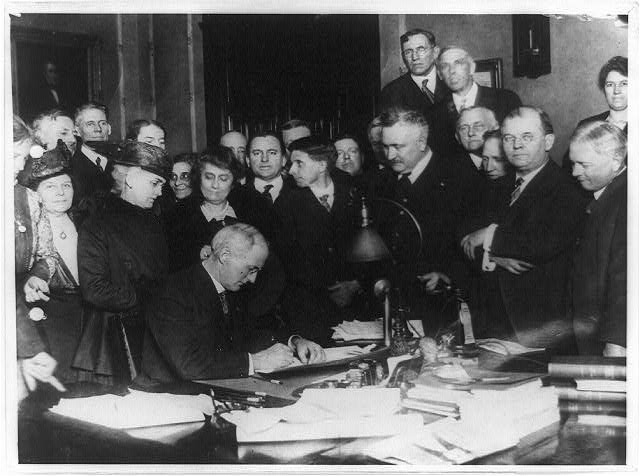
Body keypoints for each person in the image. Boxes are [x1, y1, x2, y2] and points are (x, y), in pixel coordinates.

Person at [460, 106, 588, 349]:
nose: (516, 145)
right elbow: (465, 238)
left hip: (538, 326)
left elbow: (540, 244)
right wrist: (496, 256)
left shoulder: (567, 189)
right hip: (492, 324)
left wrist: (488, 236)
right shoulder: (497, 184)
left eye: (527, 137)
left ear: (548, 141)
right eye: (509, 138)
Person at [135, 223, 325, 385]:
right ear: (225, 256)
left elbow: (249, 335)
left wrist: (294, 342)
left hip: (211, 390)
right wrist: (255, 361)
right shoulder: (173, 292)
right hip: (169, 396)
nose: (253, 279)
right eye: (251, 269)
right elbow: (189, 365)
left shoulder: (230, 289)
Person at [73, 141, 171, 384]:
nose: (159, 192)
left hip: (157, 335)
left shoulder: (155, 222)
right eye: (155, 183)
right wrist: (143, 297)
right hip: (114, 340)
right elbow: (94, 289)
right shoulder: (97, 224)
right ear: (131, 178)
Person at [378, 108, 481, 331]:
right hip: (398, 306)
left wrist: (449, 275)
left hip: (446, 307)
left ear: (422, 142)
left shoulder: (459, 177)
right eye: (385, 146)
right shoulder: (382, 181)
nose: (389, 155)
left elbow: (475, 242)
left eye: (398, 147)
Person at [277, 136, 364, 342]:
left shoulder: (355, 192)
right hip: (310, 311)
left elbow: (372, 247)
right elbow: (286, 262)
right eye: (291, 164)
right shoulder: (286, 204)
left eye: (299, 163)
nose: (291, 170)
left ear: (322, 165)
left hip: (357, 307)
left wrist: (355, 284)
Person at [19, 140, 83, 384]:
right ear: (35, 194)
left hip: (83, 326)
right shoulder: (26, 233)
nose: (61, 192)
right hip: (47, 328)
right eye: (51, 186)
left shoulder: (86, 223)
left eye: (66, 185)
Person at [13, 115, 66, 400]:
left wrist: (37, 275)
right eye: (12, 156)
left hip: (18, 320)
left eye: (23, 157)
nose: (20, 166)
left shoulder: (27, 199)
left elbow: (47, 253)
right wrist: (30, 348)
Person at [168, 146, 278, 271]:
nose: (215, 185)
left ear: (232, 183)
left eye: (223, 179)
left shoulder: (253, 214)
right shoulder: (177, 218)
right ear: (199, 179)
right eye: (209, 177)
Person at [568, 121, 626, 356]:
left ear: (615, 160)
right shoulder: (607, 195)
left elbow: (626, 278)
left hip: (612, 343)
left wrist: (618, 340)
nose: (574, 172)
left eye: (584, 164)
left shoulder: (628, 199)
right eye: (573, 163)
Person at [431, 46, 522, 155]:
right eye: (445, 66)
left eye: (458, 63)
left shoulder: (506, 99)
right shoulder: (434, 113)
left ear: (472, 68)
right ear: (440, 74)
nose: (452, 71)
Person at [380, 29, 447, 112]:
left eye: (421, 49)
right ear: (403, 57)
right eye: (408, 52)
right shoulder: (392, 92)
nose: (414, 57)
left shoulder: (450, 80)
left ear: (435, 52)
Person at [70, 102, 113, 204]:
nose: (98, 129)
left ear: (109, 129)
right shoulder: (71, 166)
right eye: (90, 124)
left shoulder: (119, 161)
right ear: (77, 131)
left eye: (103, 123)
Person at [245, 131, 295, 206]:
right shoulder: (236, 196)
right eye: (257, 153)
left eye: (272, 153)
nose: (264, 159)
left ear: (284, 159)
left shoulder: (301, 193)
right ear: (248, 160)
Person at [454, 106, 499, 174]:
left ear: (495, 128)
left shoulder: (510, 162)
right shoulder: (451, 170)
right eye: (464, 128)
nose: (471, 133)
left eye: (478, 126)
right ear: (457, 137)